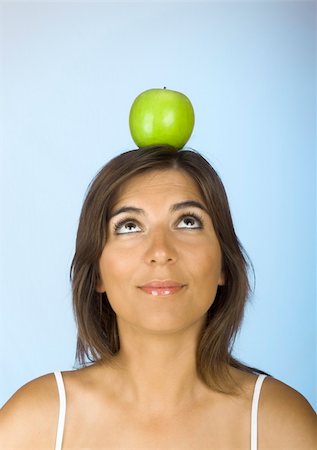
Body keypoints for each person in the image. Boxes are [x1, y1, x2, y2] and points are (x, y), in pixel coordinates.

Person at [0, 145, 315, 449]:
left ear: (224, 266)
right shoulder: (36, 423)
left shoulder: (281, 424)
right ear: (97, 273)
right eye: (129, 226)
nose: (161, 251)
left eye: (188, 221)